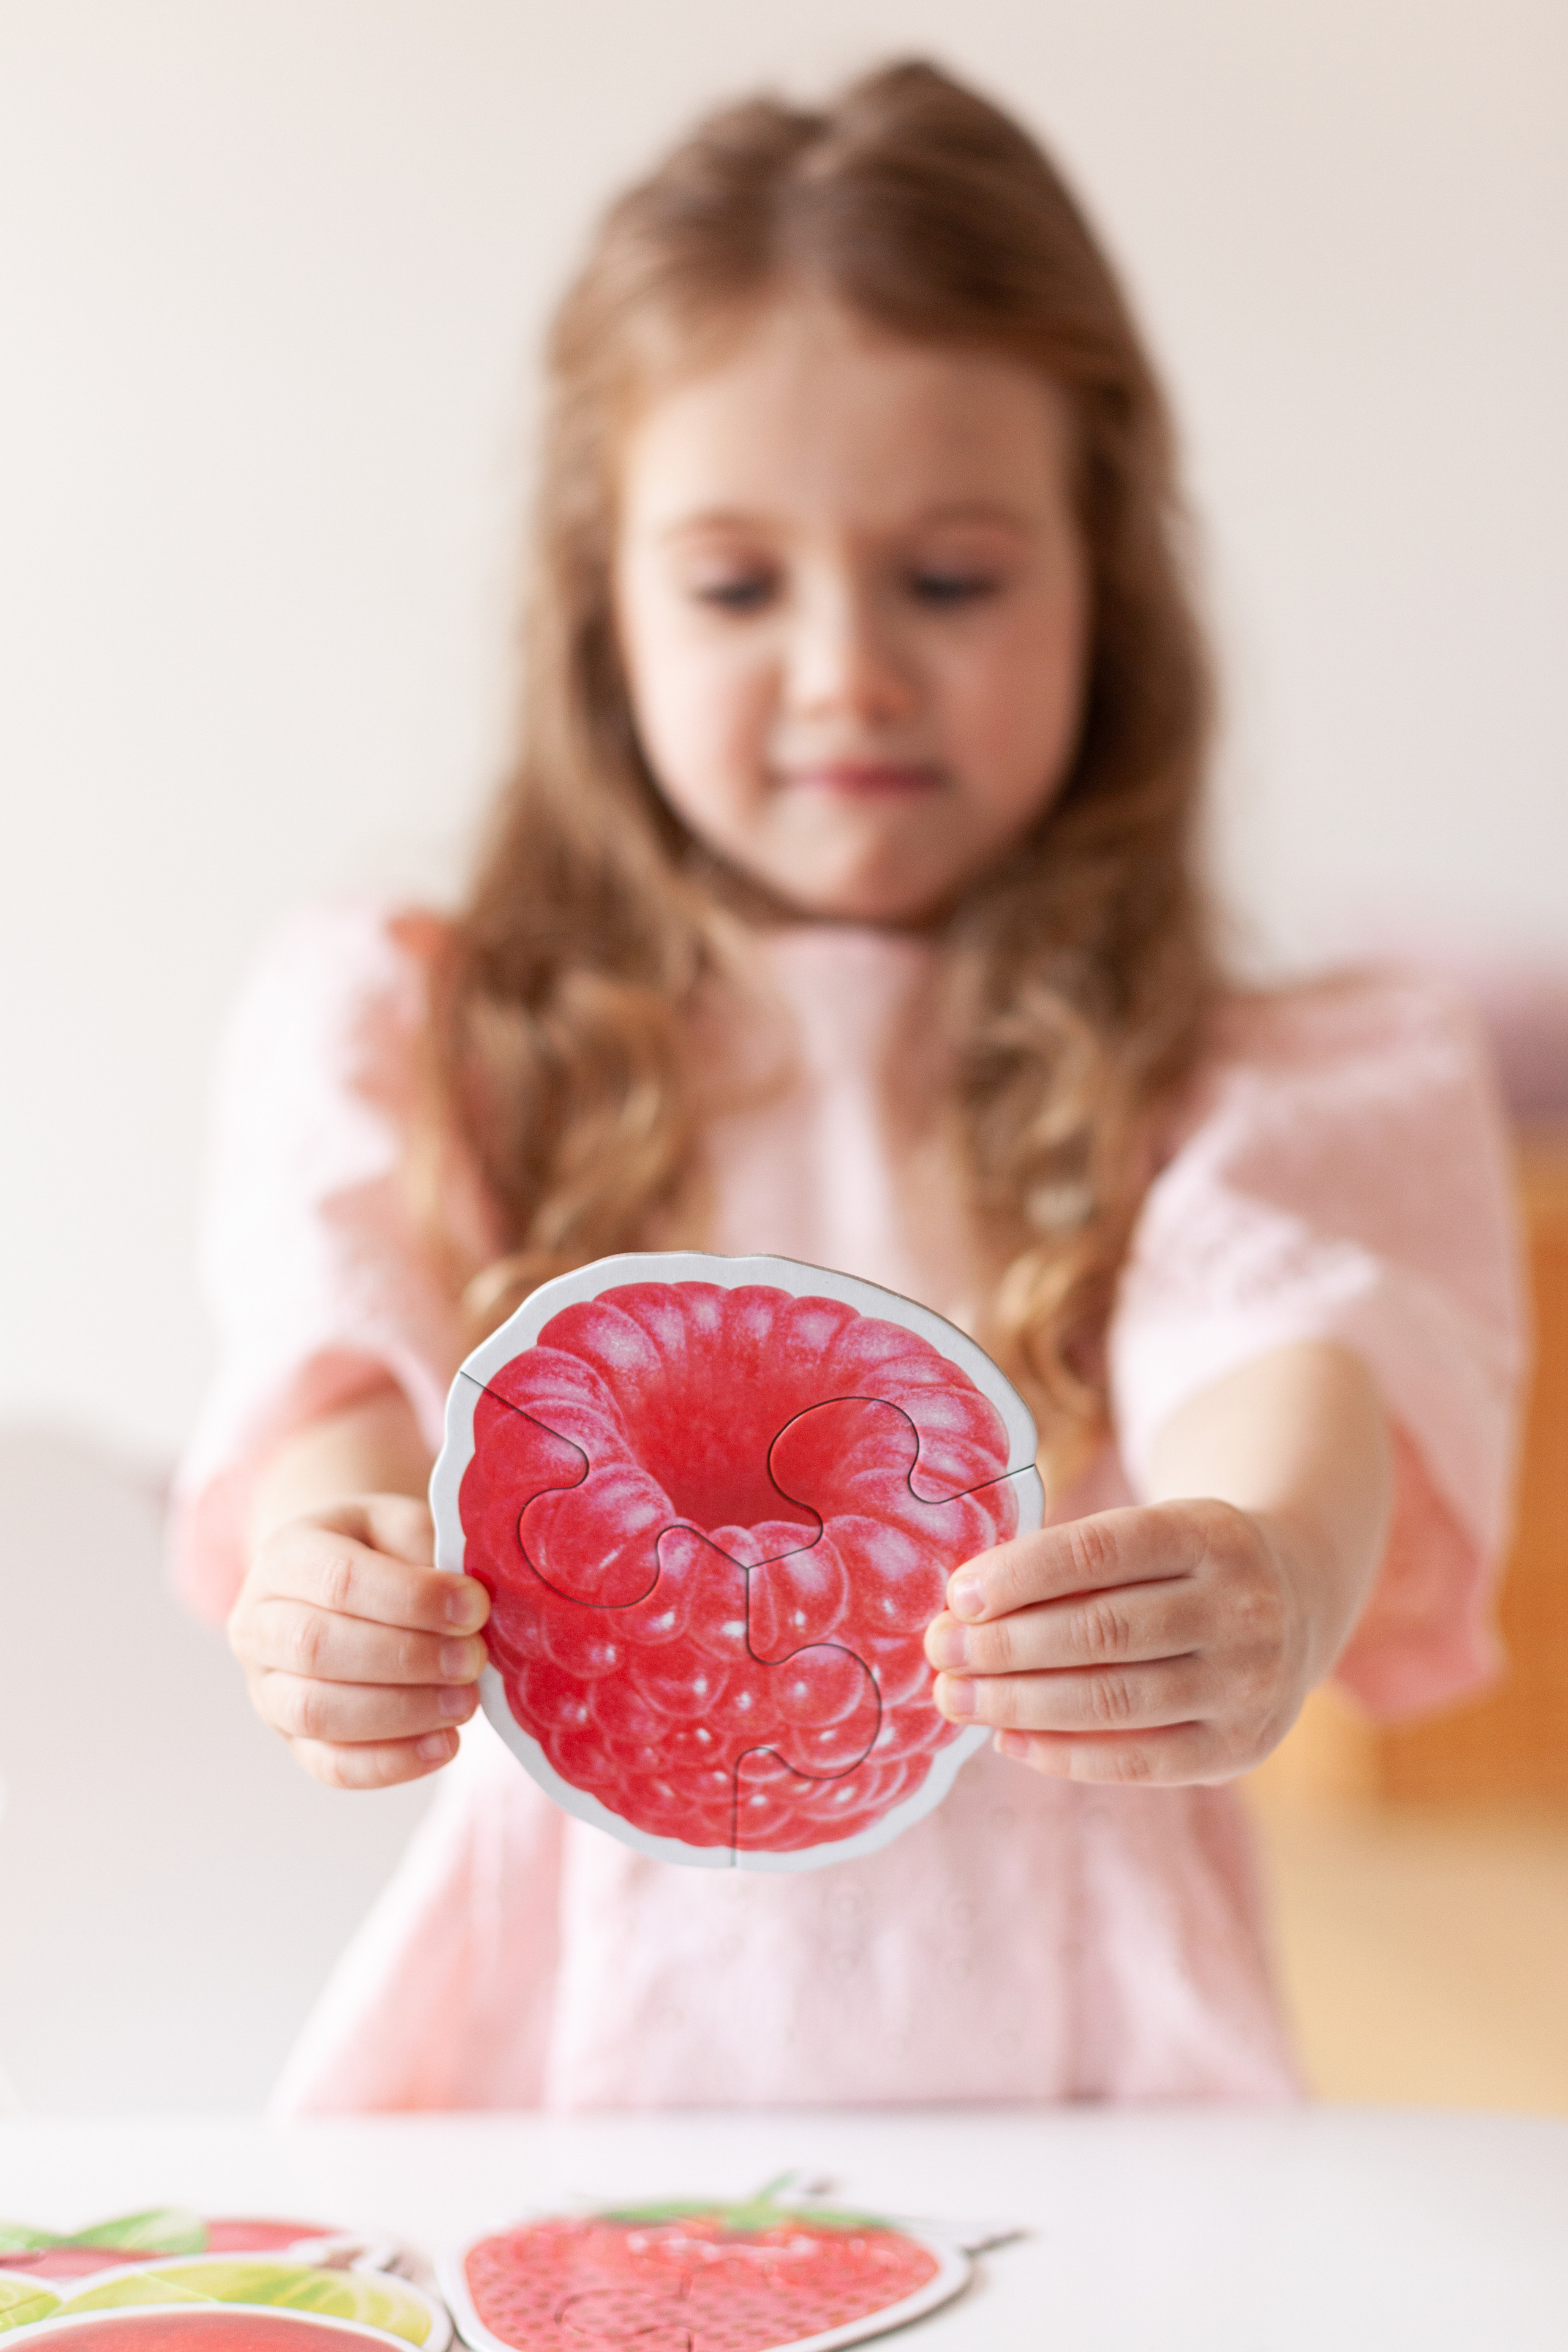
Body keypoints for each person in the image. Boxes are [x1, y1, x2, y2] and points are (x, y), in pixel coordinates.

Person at [173, 59, 1523, 2111]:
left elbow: (1293, 1359)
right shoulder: (419, 1032)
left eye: (952, 579)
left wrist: (1267, 1572)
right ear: (600, 613)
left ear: (1109, 591)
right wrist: (330, 1574)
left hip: (1094, 2068)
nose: (847, 672)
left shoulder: (1256, 1073)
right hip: (567, 2057)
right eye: (736, 586)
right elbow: (341, 1399)